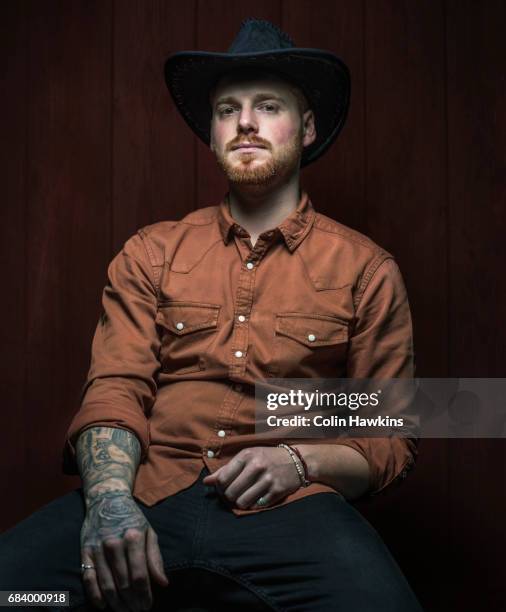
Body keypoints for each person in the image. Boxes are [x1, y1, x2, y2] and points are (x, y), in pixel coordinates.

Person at [0, 17, 423, 612]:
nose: (244, 122)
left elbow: (389, 435)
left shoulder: (368, 271)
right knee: (17, 595)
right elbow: (115, 390)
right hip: (146, 496)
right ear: (212, 133)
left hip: (291, 512)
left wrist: (299, 462)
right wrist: (110, 504)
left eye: (267, 105)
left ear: (305, 128)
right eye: (228, 110)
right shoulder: (151, 252)